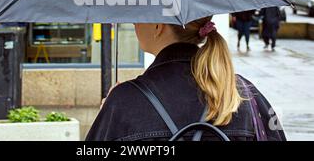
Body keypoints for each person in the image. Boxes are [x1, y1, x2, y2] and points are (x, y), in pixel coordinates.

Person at [85, 16, 286, 141]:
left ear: (158, 25)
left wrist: (109, 112)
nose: (134, 23)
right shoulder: (244, 93)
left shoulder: (125, 100)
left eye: (139, 16)